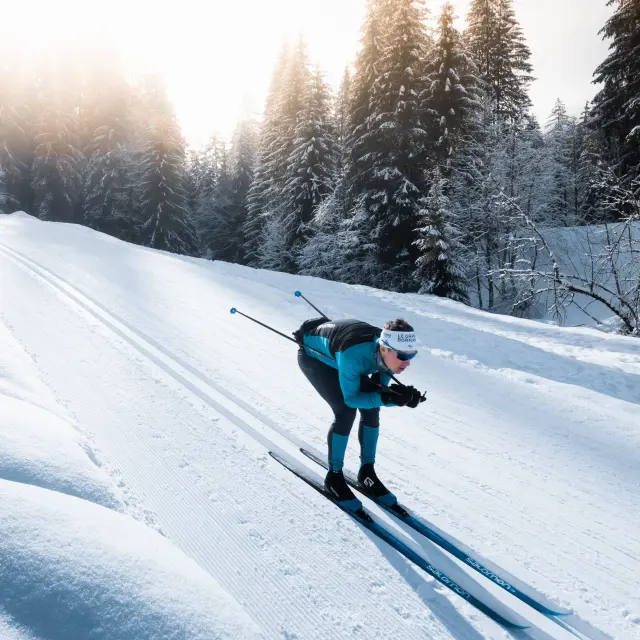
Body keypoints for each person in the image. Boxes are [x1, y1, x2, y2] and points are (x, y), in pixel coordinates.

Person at [294, 317, 424, 509]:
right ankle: (334, 477)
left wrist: (398, 396)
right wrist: (388, 398)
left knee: (371, 409)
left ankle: (367, 472)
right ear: (384, 348)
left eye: (411, 355)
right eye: (403, 356)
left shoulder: (389, 354)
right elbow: (352, 399)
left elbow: (378, 393)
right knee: (345, 412)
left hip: (348, 352)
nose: (407, 363)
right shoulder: (353, 356)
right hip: (316, 359)